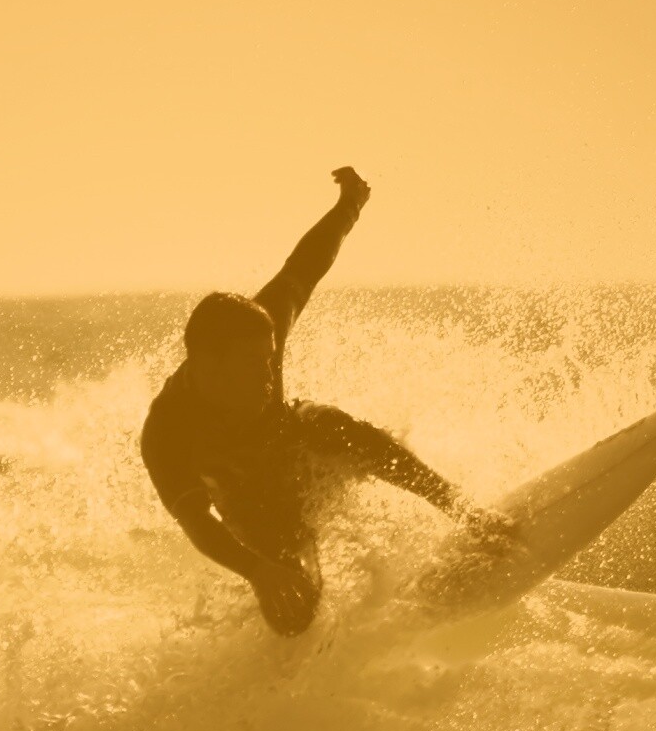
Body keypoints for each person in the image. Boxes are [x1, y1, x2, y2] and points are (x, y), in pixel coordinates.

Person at [140, 167, 502, 634]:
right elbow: (196, 521)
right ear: (209, 365)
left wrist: (350, 205)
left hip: (296, 440)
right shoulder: (166, 431)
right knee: (293, 612)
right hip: (250, 501)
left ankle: (463, 510)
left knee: (329, 425)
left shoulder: (259, 326)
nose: (268, 376)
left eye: (270, 360)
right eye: (253, 366)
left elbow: (305, 265)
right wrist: (258, 572)